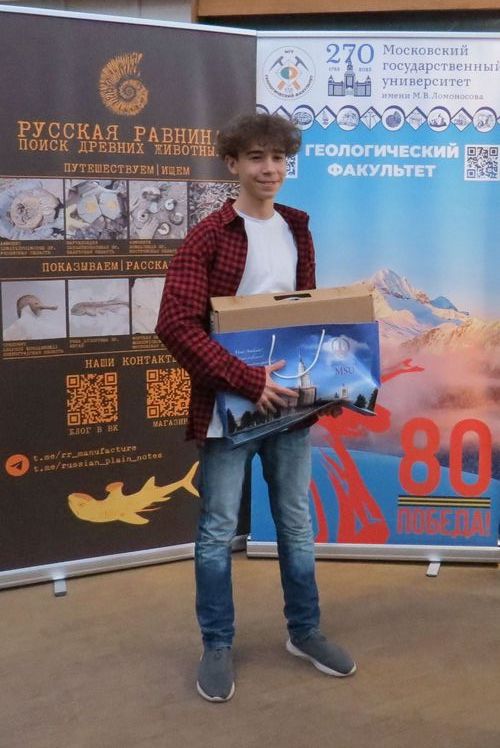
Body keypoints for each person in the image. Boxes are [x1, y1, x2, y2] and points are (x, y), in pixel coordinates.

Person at [155, 113, 356, 703]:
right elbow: (175, 324)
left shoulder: (298, 227)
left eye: (278, 158)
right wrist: (244, 379)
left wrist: (326, 386)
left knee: (296, 522)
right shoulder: (208, 236)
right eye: (256, 157)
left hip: (290, 407)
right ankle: (217, 643)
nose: (270, 169)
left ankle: (305, 631)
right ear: (233, 164)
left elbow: (305, 318)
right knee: (218, 529)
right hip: (228, 409)